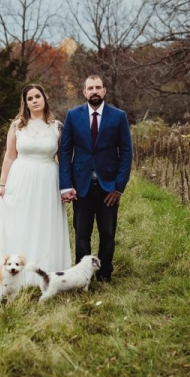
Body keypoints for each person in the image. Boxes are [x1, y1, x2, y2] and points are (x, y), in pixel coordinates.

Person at [0, 84, 72, 282]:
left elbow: (63, 159)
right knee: (20, 222)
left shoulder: (57, 127)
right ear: (25, 103)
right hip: (21, 178)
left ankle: (46, 273)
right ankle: (15, 274)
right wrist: (2, 185)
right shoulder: (17, 125)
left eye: (37, 96)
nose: (34, 101)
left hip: (48, 179)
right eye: (30, 98)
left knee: (45, 224)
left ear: (44, 98)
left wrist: (66, 186)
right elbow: (9, 157)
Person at [59, 75, 133, 283]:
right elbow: (65, 152)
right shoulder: (73, 116)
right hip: (81, 185)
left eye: (98, 87)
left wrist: (119, 187)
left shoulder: (118, 116)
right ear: (84, 92)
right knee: (82, 234)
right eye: (90, 88)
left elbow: (126, 152)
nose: (94, 91)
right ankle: (83, 277)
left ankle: (104, 275)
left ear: (104, 91)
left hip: (108, 187)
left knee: (107, 234)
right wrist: (66, 185)